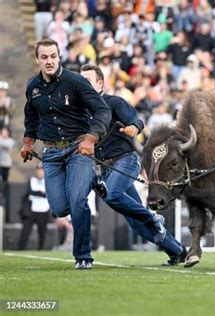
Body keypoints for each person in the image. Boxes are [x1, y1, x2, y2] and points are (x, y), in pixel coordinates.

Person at [79, 64, 187, 266]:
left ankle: (153, 218)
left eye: (87, 80)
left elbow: (136, 119)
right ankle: (178, 251)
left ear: (99, 83)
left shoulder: (114, 102)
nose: (81, 83)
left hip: (126, 160)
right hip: (107, 169)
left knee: (112, 194)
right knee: (137, 224)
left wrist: (133, 127)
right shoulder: (82, 111)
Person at [21, 39, 112, 270]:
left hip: (78, 148)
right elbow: (31, 117)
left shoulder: (75, 81)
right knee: (60, 208)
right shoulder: (32, 87)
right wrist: (28, 142)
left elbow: (102, 109)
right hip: (51, 152)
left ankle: (83, 256)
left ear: (59, 57)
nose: (49, 61)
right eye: (44, 57)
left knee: (78, 200)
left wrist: (91, 138)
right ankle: (92, 179)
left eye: (53, 56)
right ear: (38, 59)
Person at [18, 163, 50, 250]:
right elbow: (29, 192)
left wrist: (38, 193)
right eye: (39, 170)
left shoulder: (49, 181)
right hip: (31, 210)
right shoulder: (32, 180)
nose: (40, 172)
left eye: (42, 170)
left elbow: (49, 194)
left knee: (42, 232)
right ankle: (20, 249)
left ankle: (41, 249)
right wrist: (40, 193)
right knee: (25, 232)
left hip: (43, 210)